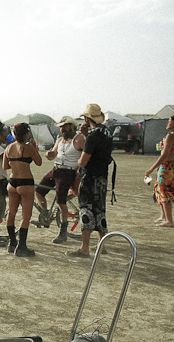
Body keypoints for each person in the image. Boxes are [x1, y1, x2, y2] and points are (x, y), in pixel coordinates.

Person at [68, 104, 113, 257]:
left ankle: (84, 247)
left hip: (90, 177)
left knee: (86, 210)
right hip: (102, 176)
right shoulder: (107, 132)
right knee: (100, 210)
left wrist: (79, 162)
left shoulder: (93, 135)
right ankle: (102, 245)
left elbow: (84, 161)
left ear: (87, 118)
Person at [35, 117, 85, 244]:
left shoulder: (79, 139)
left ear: (72, 127)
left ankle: (63, 232)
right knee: (39, 190)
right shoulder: (60, 140)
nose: (62, 129)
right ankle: (45, 214)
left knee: (60, 202)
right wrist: (49, 154)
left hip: (68, 172)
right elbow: (53, 153)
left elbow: (87, 154)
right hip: (56, 170)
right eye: (61, 127)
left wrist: (81, 171)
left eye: (65, 126)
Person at [3, 123, 42, 257]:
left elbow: (5, 166)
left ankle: (12, 243)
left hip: (12, 181)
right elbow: (39, 162)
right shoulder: (28, 147)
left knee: (11, 213)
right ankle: (22, 246)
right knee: (26, 216)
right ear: (26, 134)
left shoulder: (9, 148)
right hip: (25, 182)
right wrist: (34, 148)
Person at [144, 114, 174, 227]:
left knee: (164, 191)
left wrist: (151, 169)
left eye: (169, 121)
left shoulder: (170, 136)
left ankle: (169, 220)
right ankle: (164, 216)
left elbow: (164, 156)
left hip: (167, 166)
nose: (167, 123)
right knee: (159, 188)